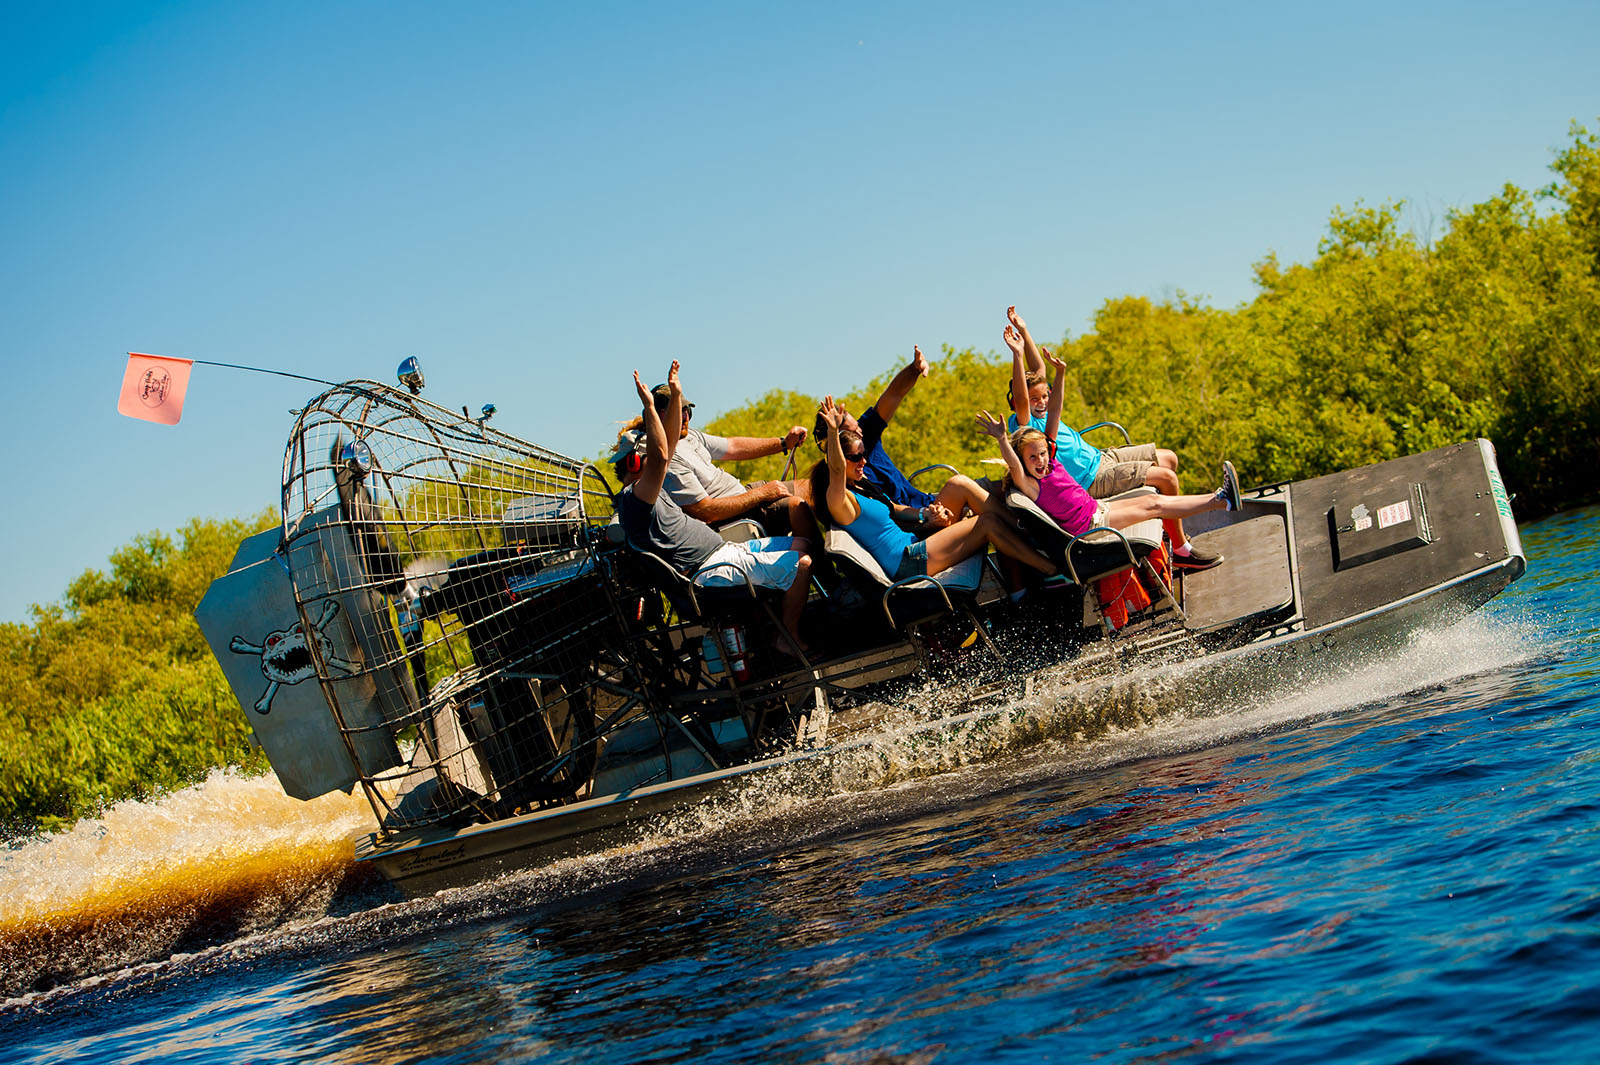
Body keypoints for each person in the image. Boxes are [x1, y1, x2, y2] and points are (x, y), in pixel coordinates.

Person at [612, 361, 813, 654]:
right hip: (709, 571)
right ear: (634, 462)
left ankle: (797, 616)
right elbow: (660, 457)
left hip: (723, 552)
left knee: (804, 543)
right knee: (802, 565)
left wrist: (677, 395)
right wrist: (650, 409)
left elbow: (663, 450)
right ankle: (788, 637)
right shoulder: (636, 499)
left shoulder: (644, 495)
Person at [1003, 305, 1222, 571]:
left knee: (1169, 458)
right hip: (1090, 479)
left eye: (1044, 396)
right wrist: (1016, 355)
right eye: (1033, 399)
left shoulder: (1046, 410)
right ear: (1018, 403)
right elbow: (1023, 395)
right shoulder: (1026, 427)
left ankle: (1171, 530)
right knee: (1166, 478)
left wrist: (1024, 331)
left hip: (1101, 456)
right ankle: (1182, 549)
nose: (1041, 402)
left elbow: (1038, 370)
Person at [979, 346, 1242, 548]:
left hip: (1097, 510)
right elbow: (1014, 459)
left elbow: (1055, 405)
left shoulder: (1051, 461)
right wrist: (1003, 439)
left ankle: (1222, 500)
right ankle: (1220, 500)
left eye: (1043, 454)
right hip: (1091, 525)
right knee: (1154, 503)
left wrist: (1060, 373)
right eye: (1033, 458)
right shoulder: (1029, 482)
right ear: (1023, 461)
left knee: (1154, 500)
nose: (1040, 460)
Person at [811, 396, 1055, 586]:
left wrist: (926, 515)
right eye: (856, 457)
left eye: (863, 453)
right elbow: (836, 467)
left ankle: (1039, 544)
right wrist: (833, 432)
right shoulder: (839, 500)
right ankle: (1051, 568)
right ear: (842, 460)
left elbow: (894, 509)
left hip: (916, 544)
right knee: (987, 523)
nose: (863, 460)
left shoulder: (861, 485)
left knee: (976, 505)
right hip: (907, 561)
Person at [812, 344, 1008, 533]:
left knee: (1005, 486)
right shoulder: (844, 480)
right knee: (961, 486)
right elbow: (889, 512)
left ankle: (1027, 534)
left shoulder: (864, 435)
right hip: (918, 522)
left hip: (926, 504)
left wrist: (914, 369)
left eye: (859, 428)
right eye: (853, 433)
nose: (861, 434)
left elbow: (894, 394)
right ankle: (1021, 530)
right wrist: (926, 516)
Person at [651, 378, 817, 541]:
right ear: (659, 416)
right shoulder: (668, 461)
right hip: (733, 518)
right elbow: (706, 511)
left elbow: (733, 447)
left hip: (745, 494)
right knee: (798, 507)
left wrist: (783, 443)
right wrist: (762, 494)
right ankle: (822, 567)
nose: (685, 416)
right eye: (678, 411)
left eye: (686, 409)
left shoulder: (690, 436)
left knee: (815, 488)